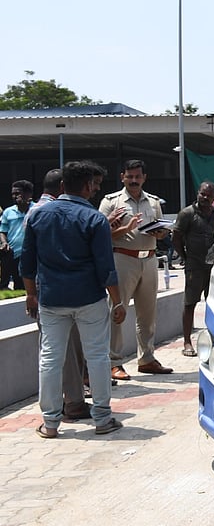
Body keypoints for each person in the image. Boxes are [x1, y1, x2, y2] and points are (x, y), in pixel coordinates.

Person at [20, 160, 126, 437]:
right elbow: (106, 268)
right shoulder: (95, 219)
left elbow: (27, 264)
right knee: (98, 357)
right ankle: (102, 419)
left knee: (50, 359)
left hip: (51, 299)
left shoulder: (38, 216)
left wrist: (31, 294)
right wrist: (118, 301)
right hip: (89, 299)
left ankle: (51, 423)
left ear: (62, 185)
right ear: (89, 187)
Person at [99, 160, 173, 378]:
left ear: (144, 178)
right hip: (122, 259)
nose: (133, 180)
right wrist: (124, 228)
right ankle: (114, 361)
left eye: (137, 177)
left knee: (148, 313)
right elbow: (98, 234)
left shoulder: (154, 202)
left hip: (149, 260)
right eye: (129, 176)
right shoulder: (111, 202)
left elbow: (162, 228)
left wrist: (161, 234)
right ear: (122, 176)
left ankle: (147, 358)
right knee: (118, 311)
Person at [172, 181, 214, 357]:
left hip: (213, 267)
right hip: (194, 267)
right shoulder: (187, 214)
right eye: (202, 194)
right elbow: (176, 238)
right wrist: (185, 258)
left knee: (213, 304)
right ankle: (186, 341)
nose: (205, 198)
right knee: (190, 303)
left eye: (209, 195)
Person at [1, 179, 35, 290]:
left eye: (17, 193)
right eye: (13, 194)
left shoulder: (36, 210)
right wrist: (4, 242)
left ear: (27, 194)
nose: (14, 196)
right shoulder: (8, 212)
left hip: (31, 254)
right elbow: (3, 230)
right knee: (18, 285)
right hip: (13, 253)